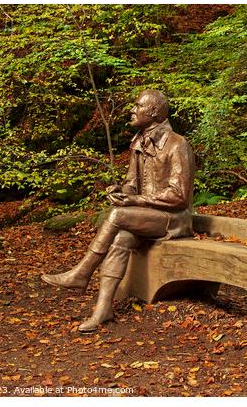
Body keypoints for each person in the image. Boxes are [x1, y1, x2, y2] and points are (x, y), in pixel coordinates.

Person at [42, 89, 194, 332]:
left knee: (118, 215)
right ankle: (103, 309)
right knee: (121, 238)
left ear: (154, 112)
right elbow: (133, 183)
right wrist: (121, 190)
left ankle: (82, 273)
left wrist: (136, 201)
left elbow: (179, 196)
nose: (132, 110)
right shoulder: (139, 141)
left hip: (174, 220)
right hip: (147, 216)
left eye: (137, 105)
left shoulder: (177, 144)